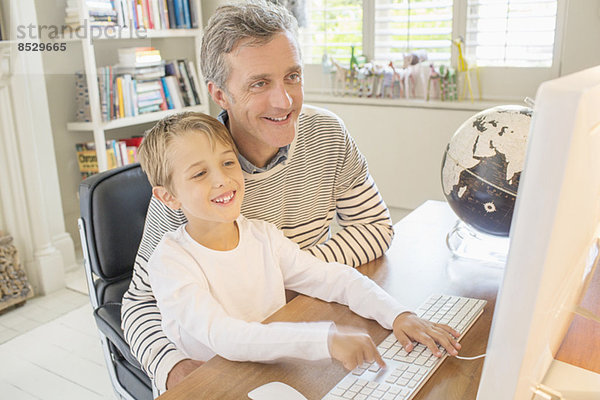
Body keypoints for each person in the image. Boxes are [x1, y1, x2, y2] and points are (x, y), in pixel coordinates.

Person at [121, 0, 457, 393]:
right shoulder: (192, 177)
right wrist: (173, 370)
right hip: (227, 359)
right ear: (219, 94)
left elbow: (375, 229)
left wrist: (285, 270)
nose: (285, 101)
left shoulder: (324, 138)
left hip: (289, 331)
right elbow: (141, 303)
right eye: (259, 83)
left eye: (292, 76)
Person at [137, 111, 460, 385]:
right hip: (216, 382)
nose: (222, 180)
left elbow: (336, 279)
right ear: (168, 196)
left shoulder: (263, 236)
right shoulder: (171, 262)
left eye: (228, 163)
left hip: (270, 368)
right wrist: (325, 339)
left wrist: (399, 315)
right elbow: (225, 337)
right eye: (200, 173)